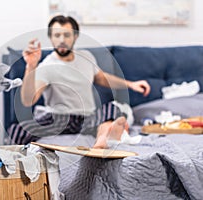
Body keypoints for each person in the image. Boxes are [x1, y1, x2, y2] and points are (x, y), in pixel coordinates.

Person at [8, 15, 150, 148]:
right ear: (51, 38)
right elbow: (28, 100)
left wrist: (131, 84)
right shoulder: (46, 66)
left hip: (87, 119)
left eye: (67, 35)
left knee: (113, 109)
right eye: (57, 35)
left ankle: (101, 142)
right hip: (58, 119)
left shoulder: (86, 57)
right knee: (17, 130)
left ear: (75, 36)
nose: (62, 39)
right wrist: (30, 66)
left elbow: (102, 78)